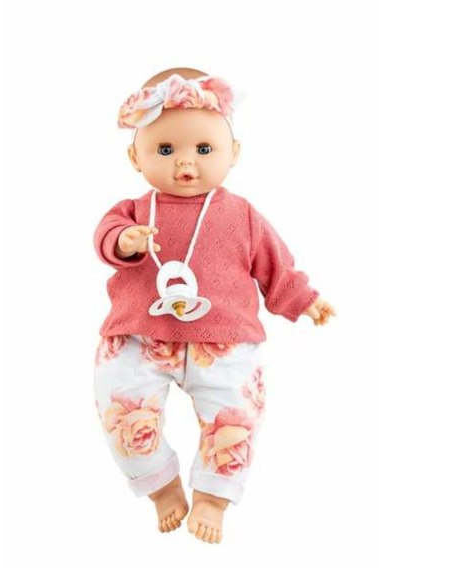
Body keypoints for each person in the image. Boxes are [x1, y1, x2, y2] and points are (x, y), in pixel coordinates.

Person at [92, 67, 336, 544]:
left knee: (237, 418)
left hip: (225, 341)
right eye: (165, 150)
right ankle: (161, 486)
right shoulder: (134, 212)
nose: (186, 163)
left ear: (234, 153)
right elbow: (105, 238)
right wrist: (125, 240)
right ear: (135, 157)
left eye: (204, 149)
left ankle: (212, 497)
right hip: (138, 336)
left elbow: (276, 265)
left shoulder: (242, 215)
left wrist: (304, 300)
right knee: (121, 412)